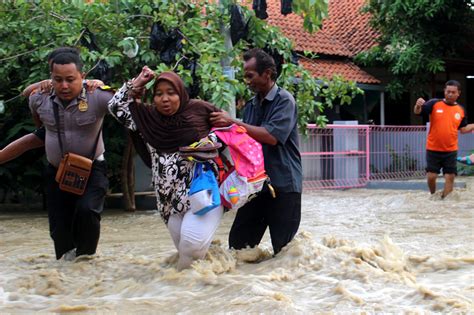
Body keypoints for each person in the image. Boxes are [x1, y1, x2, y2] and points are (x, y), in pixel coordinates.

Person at [108, 66, 223, 270]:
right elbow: (115, 106)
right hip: (167, 202)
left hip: (200, 194)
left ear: (181, 93)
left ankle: (182, 288)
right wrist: (137, 82)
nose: (165, 99)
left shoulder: (200, 110)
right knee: (187, 255)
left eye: (171, 93)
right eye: (159, 94)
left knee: (191, 248)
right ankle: (197, 291)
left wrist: (211, 141)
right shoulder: (146, 119)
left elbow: (228, 132)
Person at [210, 48, 302, 255]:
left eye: (250, 76)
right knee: (238, 248)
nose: (247, 81)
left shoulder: (285, 100)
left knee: (284, 253)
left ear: (267, 73)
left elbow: (271, 137)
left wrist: (232, 121)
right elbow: (243, 142)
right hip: (254, 187)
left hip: (284, 186)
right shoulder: (251, 106)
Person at [29, 52, 113, 260]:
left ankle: (85, 262)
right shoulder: (39, 97)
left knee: (87, 212)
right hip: (56, 172)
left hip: (93, 169)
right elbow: (35, 116)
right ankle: (66, 275)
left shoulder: (99, 96)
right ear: (51, 78)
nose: (64, 86)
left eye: (70, 79)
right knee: (59, 228)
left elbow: (128, 105)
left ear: (82, 76)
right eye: (58, 80)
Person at [0, 47, 103, 165]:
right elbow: (26, 92)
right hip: (53, 127)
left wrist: (97, 83)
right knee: (24, 142)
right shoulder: (49, 85)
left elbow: (100, 86)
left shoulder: (83, 84)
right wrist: (43, 83)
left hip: (78, 129)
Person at [414, 80, 474, 198]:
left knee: (450, 177)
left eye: (453, 92)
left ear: (458, 93)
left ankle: (445, 200)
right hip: (433, 148)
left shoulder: (461, 110)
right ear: (444, 91)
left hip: (451, 150)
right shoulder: (434, 104)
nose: (450, 94)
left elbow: (463, 129)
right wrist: (417, 105)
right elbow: (418, 112)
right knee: (431, 176)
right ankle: (433, 195)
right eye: (448, 92)